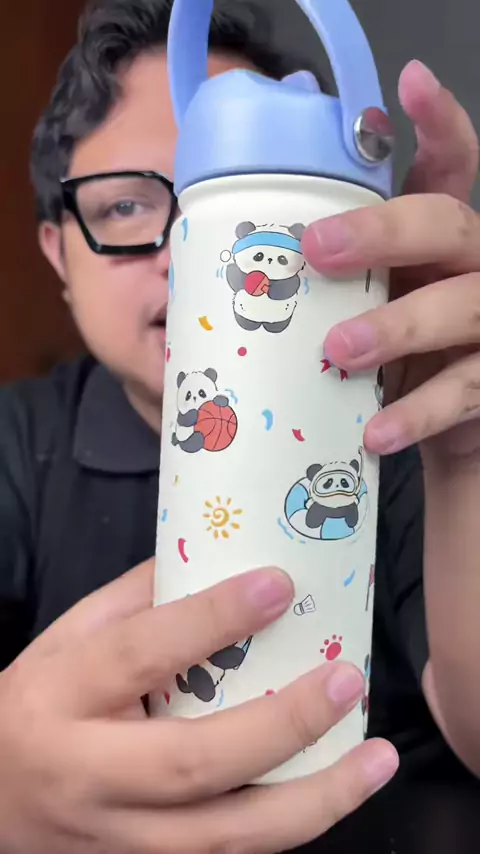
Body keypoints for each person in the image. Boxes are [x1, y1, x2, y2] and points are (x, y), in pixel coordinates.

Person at [0, 0, 479, 849]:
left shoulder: (396, 424)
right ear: (56, 253)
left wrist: (467, 455)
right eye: (124, 207)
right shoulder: (16, 445)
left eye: (216, 196)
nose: (182, 249)